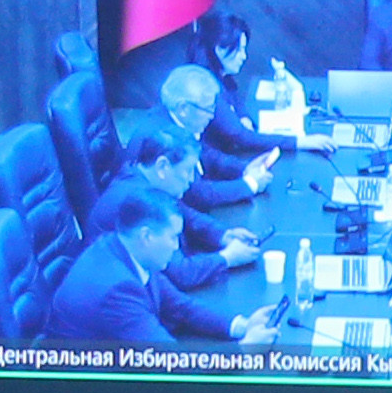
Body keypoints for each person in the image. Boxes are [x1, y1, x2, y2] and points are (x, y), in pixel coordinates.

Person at [40, 182, 272, 350]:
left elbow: (180, 306)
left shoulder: (123, 248)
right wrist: (244, 350)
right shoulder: (117, 290)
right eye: (173, 237)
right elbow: (171, 363)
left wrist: (240, 326)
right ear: (147, 236)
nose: (176, 246)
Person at [113, 117, 258, 281]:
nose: (191, 179)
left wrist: (224, 235)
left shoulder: (147, 182)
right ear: (162, 166)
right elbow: (180, 272)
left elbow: (186, 215)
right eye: (188, 171)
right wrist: (227, 258)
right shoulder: (136, 199)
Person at [156, 63, 278, 205]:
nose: (212, 115)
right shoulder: (165, 138)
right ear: (183, 108)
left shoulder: (181, 120)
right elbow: (197, 194)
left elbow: (207, 154)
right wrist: (251, 184)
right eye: (208, 109)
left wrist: (245, 168)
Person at [179, 11, 285, 162]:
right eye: (240, 50)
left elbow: (236, 100)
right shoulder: (206, 87)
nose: (244, 56)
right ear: (219, 49)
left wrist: (244, 117)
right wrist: (304, 142)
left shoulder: (222, 74)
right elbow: (240, 136)